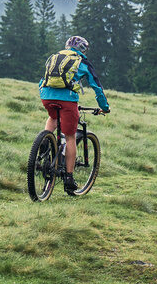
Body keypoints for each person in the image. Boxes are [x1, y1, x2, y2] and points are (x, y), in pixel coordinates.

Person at [39, 36, 110, 194]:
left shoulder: (55, 57)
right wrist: (104, 107)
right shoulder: (82, 62)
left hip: (46, 96)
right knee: (70, 136)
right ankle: (69, 178)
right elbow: (96, 86)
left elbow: (44, 79)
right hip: (68, 100)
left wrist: (45, 94)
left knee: (53, 117)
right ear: (83, 49)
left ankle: (45, 142)